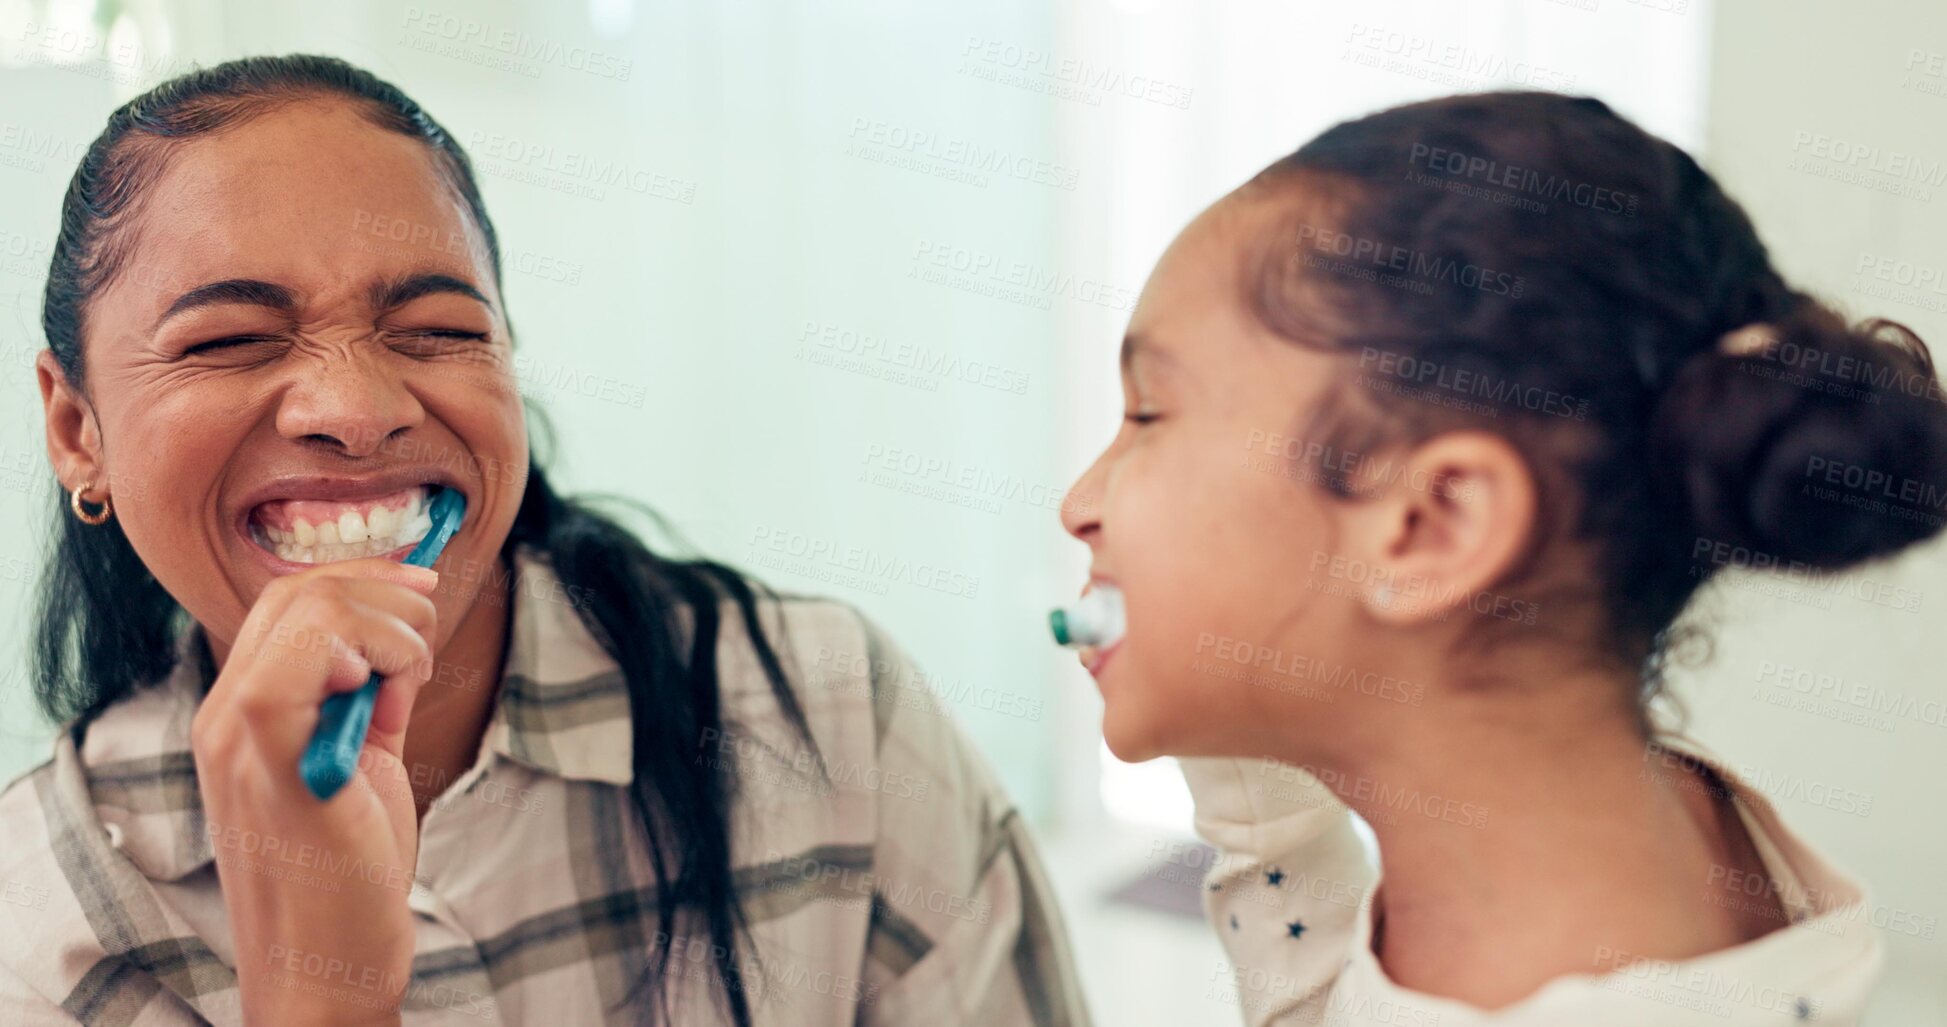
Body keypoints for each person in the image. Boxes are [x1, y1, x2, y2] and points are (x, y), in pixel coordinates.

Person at [0, 54, 1089, 1027]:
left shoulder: (828, 713)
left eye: (439, 330)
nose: (356, 405)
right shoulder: (34, 935)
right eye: (231, 338)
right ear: (73, 427)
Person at [1057, 90, 1947, 1025]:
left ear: (1432, 524)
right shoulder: (1647, 837)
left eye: (1149, 413)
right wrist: (1250, 775)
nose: (1079, 505)